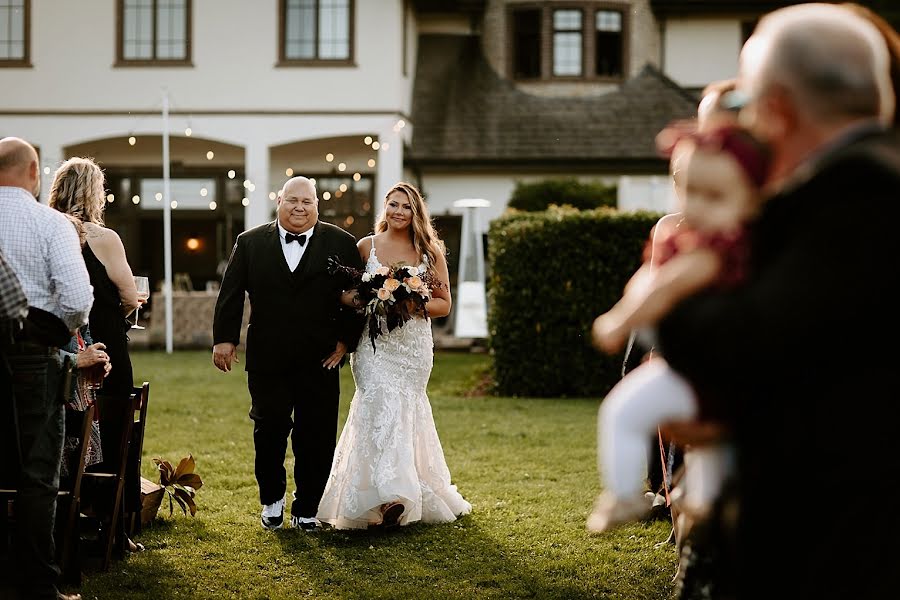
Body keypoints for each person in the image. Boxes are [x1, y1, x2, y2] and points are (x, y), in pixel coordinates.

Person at [655, 4, 899, 598]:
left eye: (747, 107)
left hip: (834, 547)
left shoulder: (854, 198)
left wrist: (671, 284)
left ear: (779, 110)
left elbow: (740, 346)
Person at [588, 125, 770, 534]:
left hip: (715, 372)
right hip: (695, 368)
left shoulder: (720, 246)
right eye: (689, 191)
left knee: (646, 419)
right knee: (625, 411)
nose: (699, 207)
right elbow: (646, 279)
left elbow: (665, 284)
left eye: (715, 196)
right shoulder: (684, 235)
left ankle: (703, 505)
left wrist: (620, 318)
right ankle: (628, 495)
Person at [212, 175, 365, 531]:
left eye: (306, 202)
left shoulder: (342, 243)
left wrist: (345, 341)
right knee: (268, 430)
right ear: (279, 202)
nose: (299, 207)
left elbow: (359, 297)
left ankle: (308, 508)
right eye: (292, 200)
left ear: (316, 206)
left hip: (322, 358)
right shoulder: (249, 243)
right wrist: (224, 339)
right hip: (269, 357)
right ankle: (272, 501)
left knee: (317, 433)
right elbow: (231, 293)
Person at [316, 181, 472, 529]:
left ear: (416, 213)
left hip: (412, 348)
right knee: (376, 404)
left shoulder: (429, 251)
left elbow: (444, 304)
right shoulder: (365, 246)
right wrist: (372, 298)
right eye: (393, 205)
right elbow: (344, 296)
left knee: (405, 412)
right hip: (374, 347)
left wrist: (410, 303)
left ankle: (399, 496)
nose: (398, 212)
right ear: (384, 208)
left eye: (406, 206)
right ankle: (384, 497)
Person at [0, 136, 93, 600]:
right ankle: (36, 583)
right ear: (34, 173)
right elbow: (77, 299)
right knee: (38, 473)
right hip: (36, 356)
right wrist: (64, 329)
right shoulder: (50, 223)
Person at [48, 156, 144, 555]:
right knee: (118, 435)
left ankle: (59, 518)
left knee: (61, 434)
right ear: (94, 193)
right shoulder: (105, 238)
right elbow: (127, 295)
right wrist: (123, 309)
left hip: (57, 350)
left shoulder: (46, 231)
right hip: (104, 351)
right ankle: (114, 528)